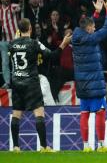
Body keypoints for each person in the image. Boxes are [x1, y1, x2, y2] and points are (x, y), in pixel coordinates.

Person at [9, 18, 71, 152]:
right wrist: (63, 44)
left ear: (18, 30)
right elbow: (53, 56)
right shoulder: (34, 43)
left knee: (16, 115)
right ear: (30, 28)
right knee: (39, 114)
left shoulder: (12, 44)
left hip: (17, 83)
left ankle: (15, 147)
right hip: (31, 83)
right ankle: (44, 147)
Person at [72, 0, 107, 152]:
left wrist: (96, 13)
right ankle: (101, 145)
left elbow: (88, 23)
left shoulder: (77, 36)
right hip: (94, 83)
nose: (94, 28)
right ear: (88, 29)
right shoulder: (91, 39)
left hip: (82, 84)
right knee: (100, 111)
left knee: (84, 113)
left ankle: (85, 146)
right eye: (93, 26)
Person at [1, 0, 20, 88]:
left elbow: (18, 7)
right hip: (3, 40)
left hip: (14, 39)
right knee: (5, 62)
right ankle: (7, 82)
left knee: (15, 61)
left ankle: (15, 81)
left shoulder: (12, 6)